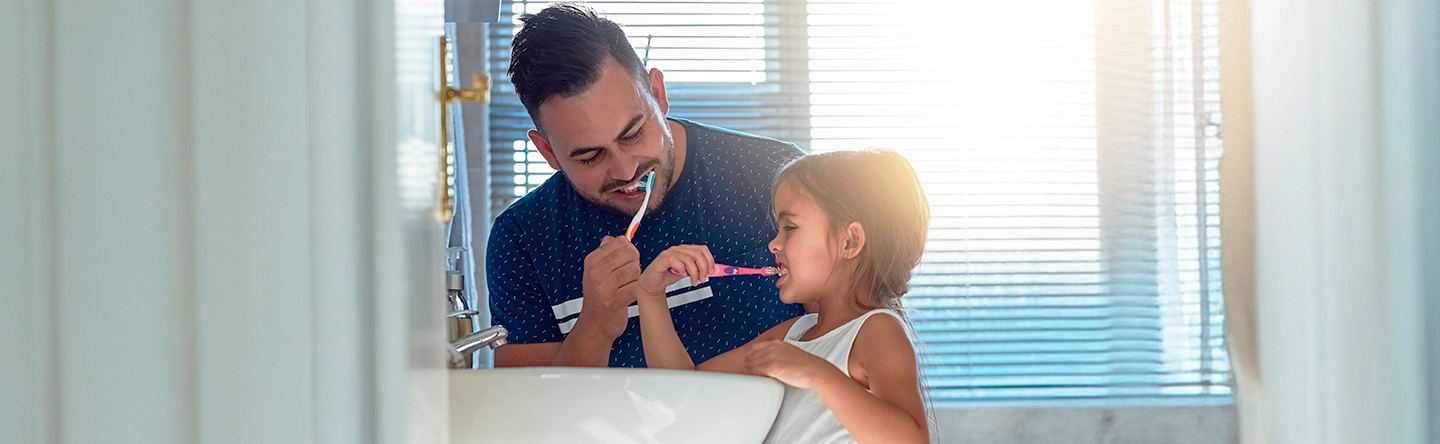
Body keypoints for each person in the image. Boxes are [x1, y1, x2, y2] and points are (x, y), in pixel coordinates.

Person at [486, 2, 806, 368]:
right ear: (548, 152)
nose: (625, 169)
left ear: (657, 93)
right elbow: (529, 411)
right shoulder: (522, 239)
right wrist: (595, 326)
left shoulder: (774, 175)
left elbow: (846, 334)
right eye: (590, 156)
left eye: (634, 133)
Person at [636, 149, 933, 444]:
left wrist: (816, 372)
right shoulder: (792, 336)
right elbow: (686, 392)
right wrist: (650, 294)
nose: (774, 244)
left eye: (790, 227)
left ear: (850, 241)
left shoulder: (876, 330)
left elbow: (911, 439)